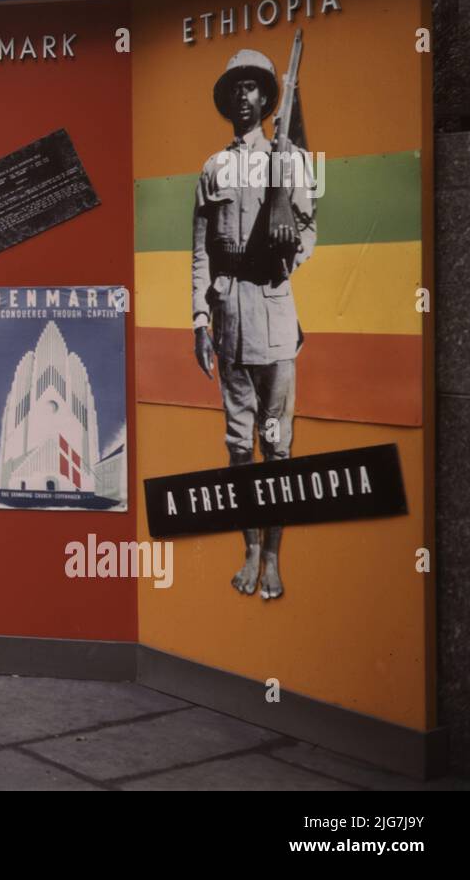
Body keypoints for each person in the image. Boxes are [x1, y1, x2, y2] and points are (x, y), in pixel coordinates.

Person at [191, 48, 316, 601]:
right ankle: (247, 548)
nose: (243, 97)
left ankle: (272, 557)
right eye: (235, 89)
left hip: (274, 311)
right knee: (239, 448)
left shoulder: (287, 162)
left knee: (278, 448)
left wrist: (288, 245)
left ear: (267, 99)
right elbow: (200, 254)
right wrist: (199, 318)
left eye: (252, 88)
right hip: (229, 320)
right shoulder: (212, 168)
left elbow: (310, 230)